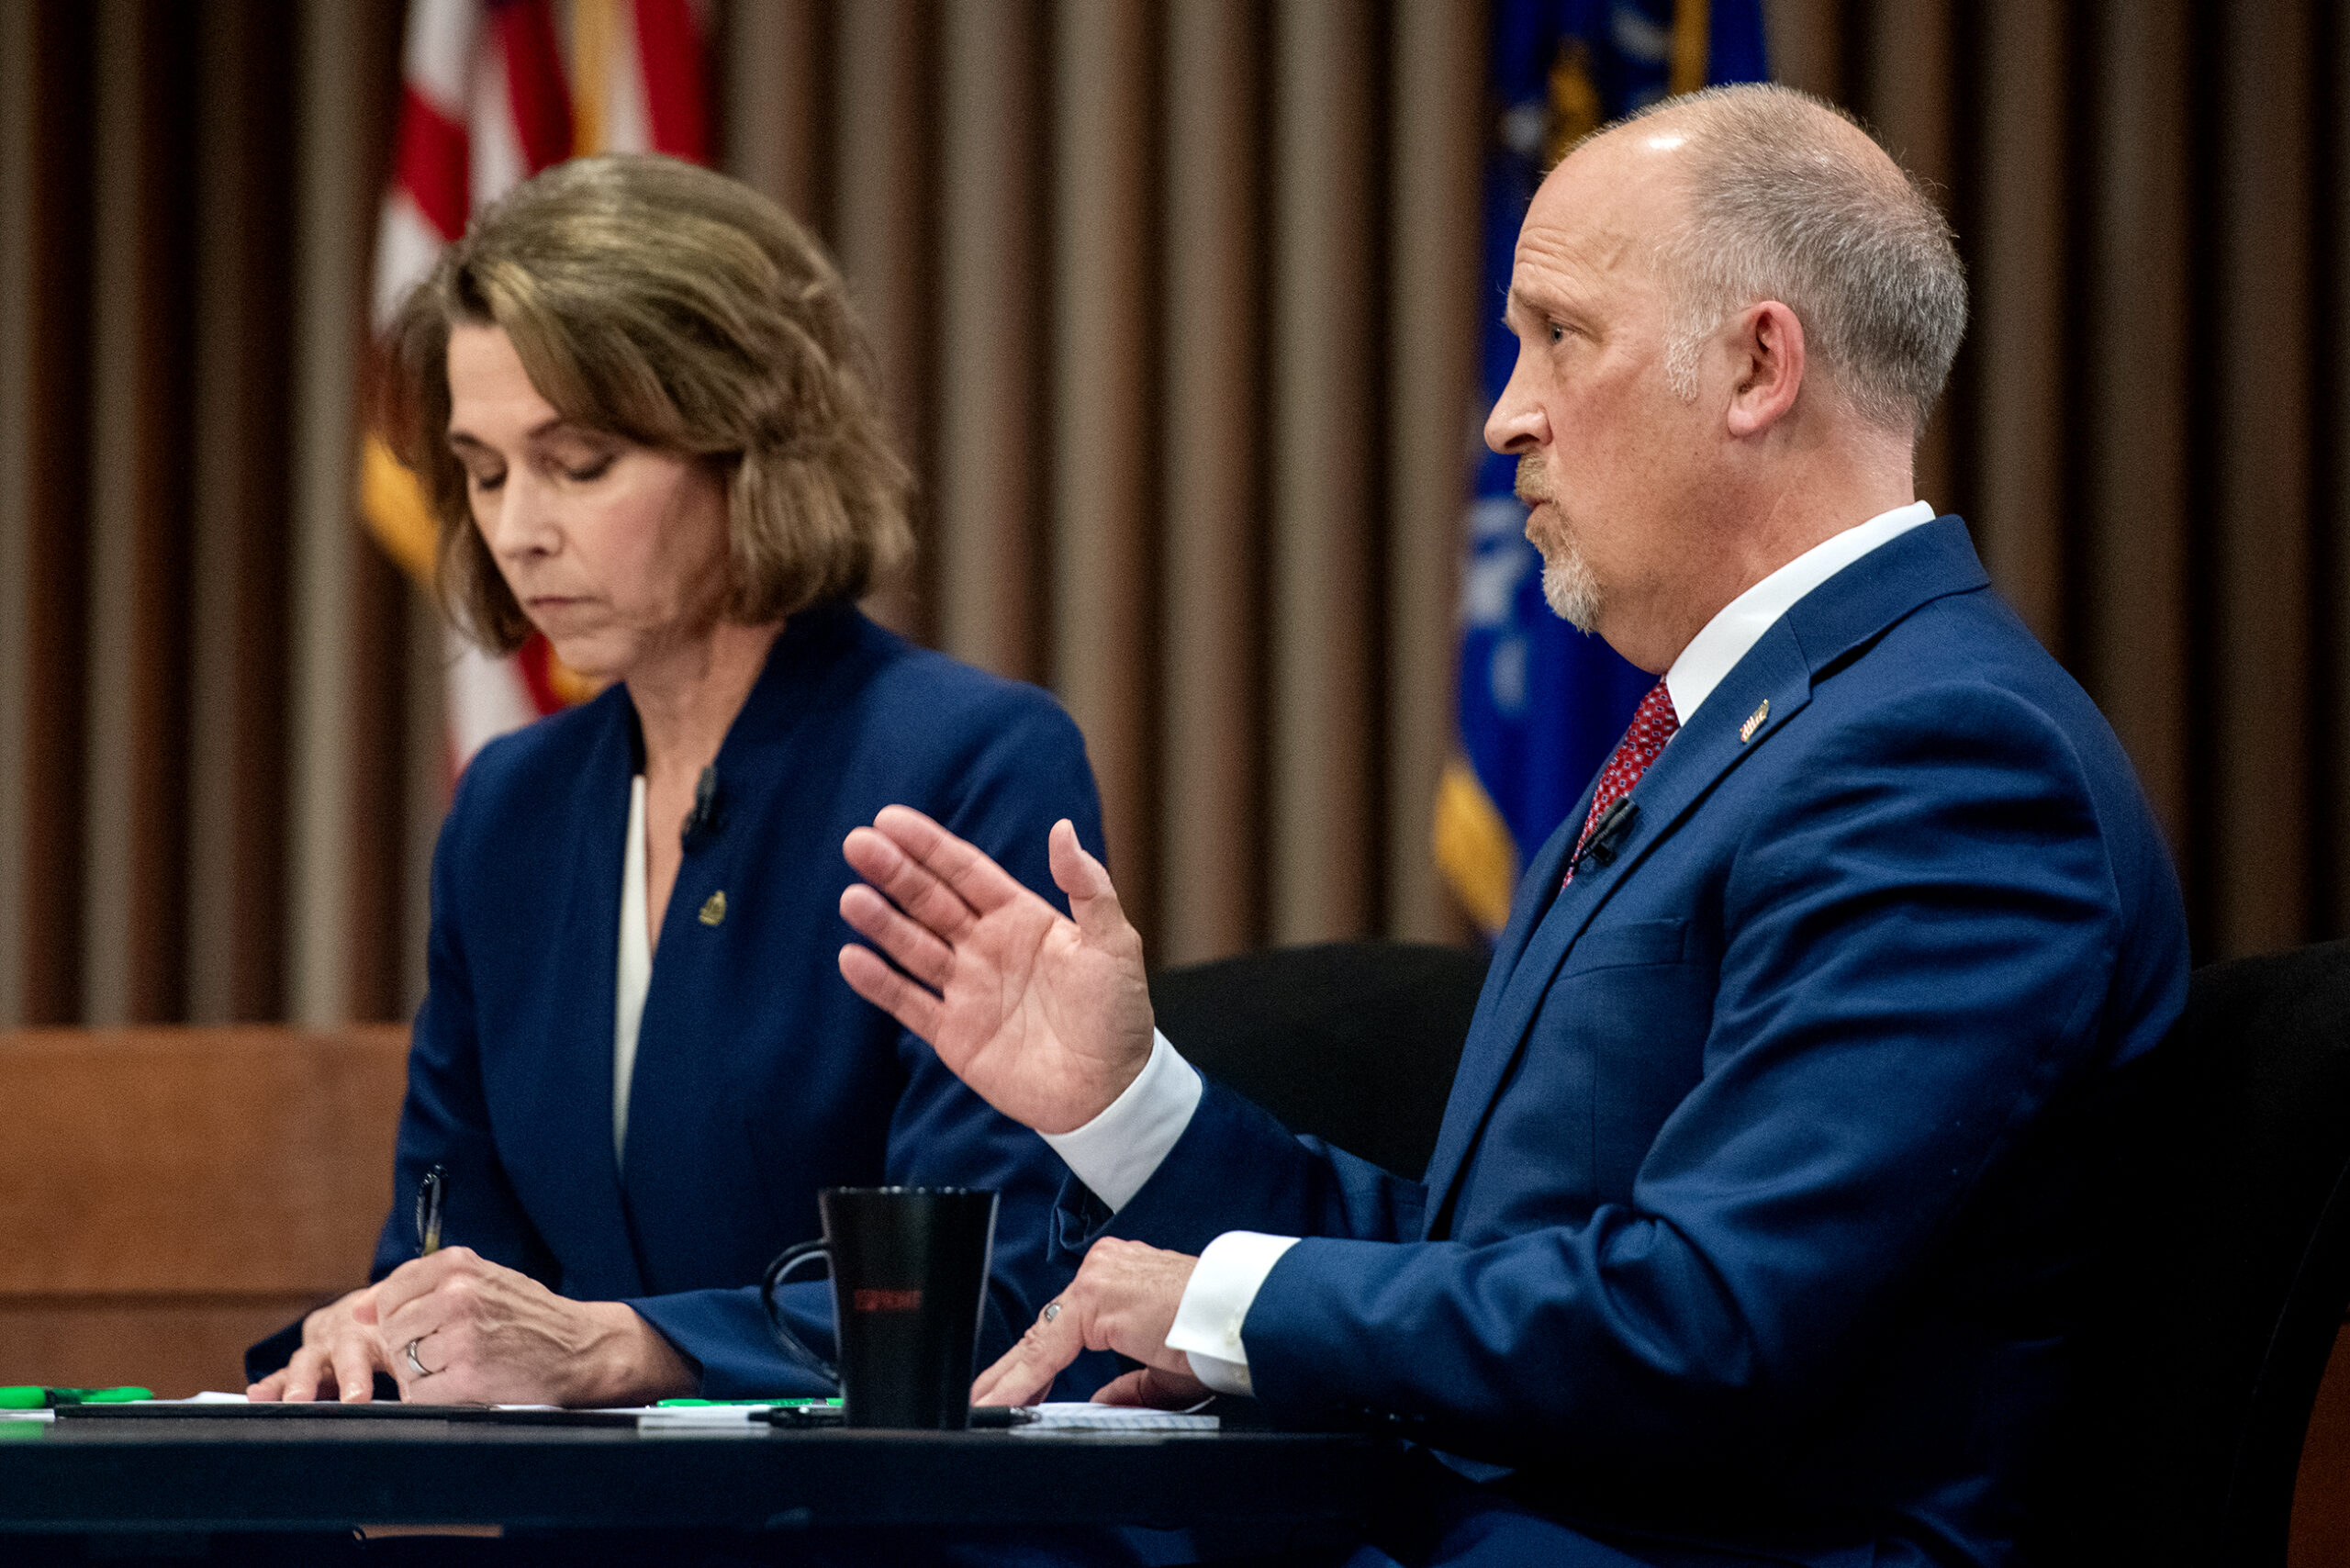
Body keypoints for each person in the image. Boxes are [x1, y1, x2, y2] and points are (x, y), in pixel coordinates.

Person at [834, 84, 2188, 1565]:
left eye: (1559, 336)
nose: (1504, 416)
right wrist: (1125, 1100)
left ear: (1755, 365)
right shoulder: (1721, 743)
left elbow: (1708, 1320)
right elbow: (1485, 1266)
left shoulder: (1948, 761)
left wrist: (1222, 1307)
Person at [246, 153, 1110, 1406]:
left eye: (578, 463)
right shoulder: (508, 811)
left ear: (746, 443)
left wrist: (623, 1350)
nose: (520, 529)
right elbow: (453, 1260)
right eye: (485, 474)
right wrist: (383, 1336)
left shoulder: (964, 759)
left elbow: (984, 1294)